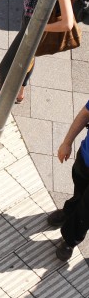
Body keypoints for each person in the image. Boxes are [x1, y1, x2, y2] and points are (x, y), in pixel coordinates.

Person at [48, 101, 89, 260]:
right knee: (79, 190)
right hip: (85, 158)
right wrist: (67, 142)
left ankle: (70, 239)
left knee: (87, 211)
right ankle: (69, 211)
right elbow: (85, 114)